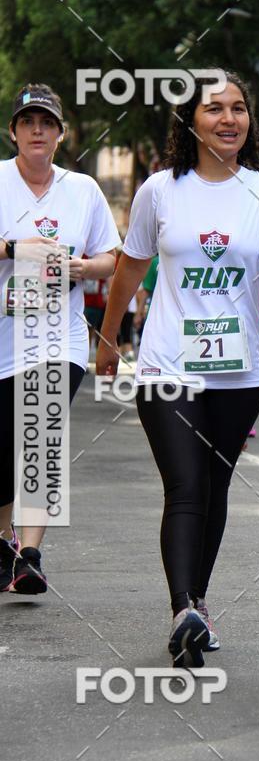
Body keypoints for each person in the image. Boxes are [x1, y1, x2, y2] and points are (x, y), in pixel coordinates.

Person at [96, 72, 259, 667]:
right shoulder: (160, 191)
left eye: (238, 109)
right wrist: (108, 341)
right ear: (191, 121)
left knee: (215, 486)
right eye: (215, 109)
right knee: (185, 486)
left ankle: (198, 603)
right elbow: (130, 269)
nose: (229, 119)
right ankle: (183, 607)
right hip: (167, 365)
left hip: (240, 371)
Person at [0, 83, 119, 593]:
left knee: (40, 437)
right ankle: (6, 545)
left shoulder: (84, 190)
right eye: (28, 122)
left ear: (61, 134)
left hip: (59, 338)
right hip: (3, 338)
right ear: (13, 132)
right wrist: (13, 247)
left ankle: (29, 554)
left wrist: (82, 266)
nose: (37, 131)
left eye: (46, 123)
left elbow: (111, 259)